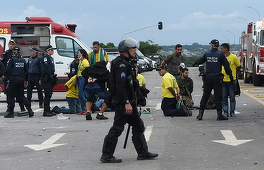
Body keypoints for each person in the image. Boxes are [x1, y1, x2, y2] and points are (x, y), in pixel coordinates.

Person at [100, 38, 158, 163]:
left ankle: (142, 152)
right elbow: (120, 86)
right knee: (117, 128)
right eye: (133, 49)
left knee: (138, 125)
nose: (135, 51)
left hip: (129, 101)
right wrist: (126, 103)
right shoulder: (121, 64)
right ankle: (106, 155)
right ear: (126, 50)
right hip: (123, 102)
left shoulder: (127, 62)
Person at [193, 39, 233, 121]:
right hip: (217, 78)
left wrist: (195, 63)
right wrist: (231, 77)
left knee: (205, 96)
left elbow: (201, 60)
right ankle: (219, 115)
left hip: (208, 78)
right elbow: (226, 67)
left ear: (212, 45)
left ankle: (200, 114)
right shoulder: (221, 54)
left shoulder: (207, 53)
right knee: (218, 97)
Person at [3, 46, 34, 118]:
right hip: (21, 80)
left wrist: (4, 74)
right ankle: (30, 110)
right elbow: (26, 71)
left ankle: (11, 113)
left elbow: (7, 69)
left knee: (11, 97)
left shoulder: (12, 60)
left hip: (13, 80)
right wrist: (26, 80)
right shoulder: (23, 60)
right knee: (21, 96)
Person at [0, 39, 25, 112]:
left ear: (15, 45)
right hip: (7, 76)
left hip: (16, 76)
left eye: (12, 44)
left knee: (19, 94)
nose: (11, 45)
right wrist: (3, 73)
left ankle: (22, 107)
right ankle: (9, 108)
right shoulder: (5, 53)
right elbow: (1, 63)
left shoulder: (19, 55)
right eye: (10, 44)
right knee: (8, 94)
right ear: (8, 45)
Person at [220, 43, 241, 117]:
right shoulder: (221, 57)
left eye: (222, 48)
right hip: (223, 80)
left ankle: (232, 112)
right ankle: (225, 112)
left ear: (226, 49)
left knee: (232, 97)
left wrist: (234, 74)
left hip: (231, 80)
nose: (221, 50)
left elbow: (238, 66)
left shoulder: (233, 57)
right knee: (224, 97)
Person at [40, 45, 57, 117]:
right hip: (46, 78)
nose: (52, 51)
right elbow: (45, 68)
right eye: (51, 50)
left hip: (51, 77)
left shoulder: (51, 58)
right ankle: (45, 111)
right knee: (47, 95)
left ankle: (48, 109)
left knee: (49, 94)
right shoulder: (45, 58)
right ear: (47, 51)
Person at [76, 49, 89, 115]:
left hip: (83, 78)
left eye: (78, 53)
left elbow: (88, 69)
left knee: (80, 94)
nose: (78, 54)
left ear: (82, 54)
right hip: (79, 78)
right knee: (81, 95)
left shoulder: (85, 61)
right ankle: (83, 109)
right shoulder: (80, 61)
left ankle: (87, 109)